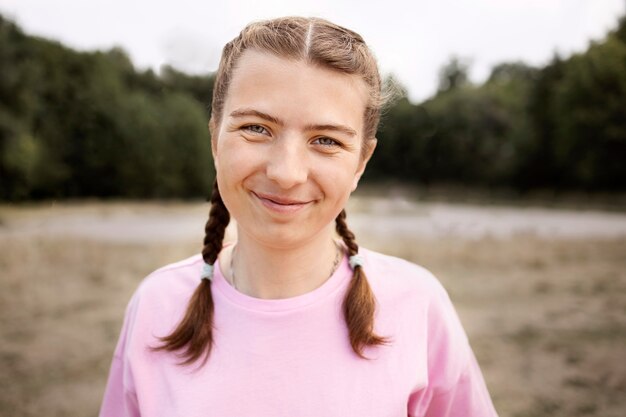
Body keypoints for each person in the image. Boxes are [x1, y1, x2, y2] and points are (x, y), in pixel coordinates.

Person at [99, 16, 499, 417]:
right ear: (215, 138)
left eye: (326, 140)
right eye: (256, 128)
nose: (286, 173)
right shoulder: (156, 306)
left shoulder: (418, 306)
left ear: (361, 162)